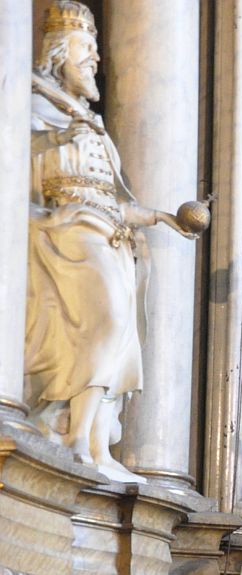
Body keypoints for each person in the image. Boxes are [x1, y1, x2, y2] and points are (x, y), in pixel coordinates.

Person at [26, 0, 204, 482]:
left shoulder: (89, 120)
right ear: (59, 51)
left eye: (98, 51)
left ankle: (90, 441)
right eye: (88, 48)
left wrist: (162, 217)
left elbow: (112, 196)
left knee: (121, 336)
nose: (96, 60)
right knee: (104, 325)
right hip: (68, 232)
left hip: (109, 236)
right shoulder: (33, 103)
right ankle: (72, 438)